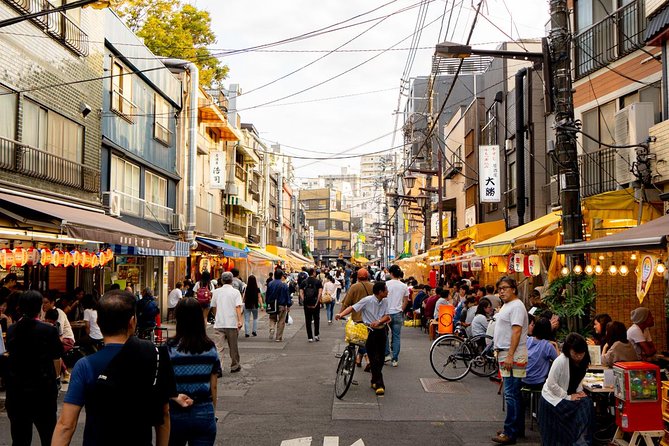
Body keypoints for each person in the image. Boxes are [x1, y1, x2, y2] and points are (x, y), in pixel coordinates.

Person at [52, 290, 177, 446]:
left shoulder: (84, 365)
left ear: (98, 322)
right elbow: (164, 415)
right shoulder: (155, 355)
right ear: (132, 322)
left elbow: (66, 425)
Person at [6, 290, 63, 446]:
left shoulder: (12, 330)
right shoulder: (49, 330)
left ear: (20, 307)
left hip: (17, 392)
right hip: (42, 391)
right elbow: (57, 353)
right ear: (40, 308)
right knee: (48, 436)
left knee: (20, 439)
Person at [166, 297, 222, 446]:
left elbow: (163, 383)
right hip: (203, 409)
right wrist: (212, 412)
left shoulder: (169, 348)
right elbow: (214, 385)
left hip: (174, 412)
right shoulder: (210, 347)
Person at [335, 281, 391, 396]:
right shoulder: (367, 300)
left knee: (380, 358)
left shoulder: (385, 301)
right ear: (380, 292)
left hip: (382, 330)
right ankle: (379, 384)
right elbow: (353, 308)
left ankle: (374, 380)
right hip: (369, 331)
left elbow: (387, 316)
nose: (388, 291)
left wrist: (379, 321)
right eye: (386, 289)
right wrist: (340, 315)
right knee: (373, 357)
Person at [538, 333, 594, 446]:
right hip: (553, 398)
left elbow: (578, 378)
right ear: (569, 350)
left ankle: (581, 440)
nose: (578, 356)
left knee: (587, 403)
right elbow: (551, 384)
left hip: (569, 393)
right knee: (553, 438)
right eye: (575, 353)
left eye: (581, 354)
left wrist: (578, 391)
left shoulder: (585, 359)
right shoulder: (561, 361)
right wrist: (567, 396)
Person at [491, 276, 528, 445]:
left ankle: (510, 432)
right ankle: (516, 428)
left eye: (505, 288)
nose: (502, 291)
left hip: (512, 354)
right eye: (499, 288)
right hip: (506, 353)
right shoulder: (508, 305)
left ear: (513, 288)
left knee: (511, 394)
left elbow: (516, 332)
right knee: (514, 394)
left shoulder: (517, 306)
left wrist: (511, 355)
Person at [211, 272, 243, 373]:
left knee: (218, 347)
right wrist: (239, 320)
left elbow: (214, 307)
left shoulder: (216, 292)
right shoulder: (235, 292)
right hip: (231, 323)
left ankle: (219, 367)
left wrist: (217, 316)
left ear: (222, 280)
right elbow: (238, 307)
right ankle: (234, 365)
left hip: (219, 323)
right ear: (232, 280)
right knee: (233, 346)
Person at [342, 268, 374, 369]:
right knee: (364, 339)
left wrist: (340, 314)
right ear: (368, 276)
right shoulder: (373, 287)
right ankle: (359, 359)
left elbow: (346, 302)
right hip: (371, 319)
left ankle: (366, 358)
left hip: (357, 318)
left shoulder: (354, 287)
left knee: (356, 339)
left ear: (357, 277)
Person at [523, 317, 558, 390]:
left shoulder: (527, 340)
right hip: (539, 382)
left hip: (524, 379)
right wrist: (556, 346)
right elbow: (558, 361)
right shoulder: (548, 346)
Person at [384, 264, 408, 367]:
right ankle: (395, 359)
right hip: (398, 313)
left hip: (387, 313)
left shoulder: (386, 284)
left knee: (385, 334)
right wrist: (401, 309)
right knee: (396, 336)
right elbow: (406, 300)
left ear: (391, 273)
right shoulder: (404, 286)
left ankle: (387, 354)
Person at [266, 269, 291, 342]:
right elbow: (287, 296)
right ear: (281, 276)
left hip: (272, 304)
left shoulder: (270, 284)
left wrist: (267, 303)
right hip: (281, 305)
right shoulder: (284, 285)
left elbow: (267, 294)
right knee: (281, 321)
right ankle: (278, 337)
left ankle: (272, 328)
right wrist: (288, 305)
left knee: (272, 318)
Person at [300, 268, 323, 342]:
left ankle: (310, 337)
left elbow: (301, 292)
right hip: (315, 302)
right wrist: (317, 302)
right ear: (313, 273)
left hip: (307, 303)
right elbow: (320, 292)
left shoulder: (304, 281)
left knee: (308, 320)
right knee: (316, 319)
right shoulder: (318, 282)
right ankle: (316, 335)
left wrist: (304, 300)